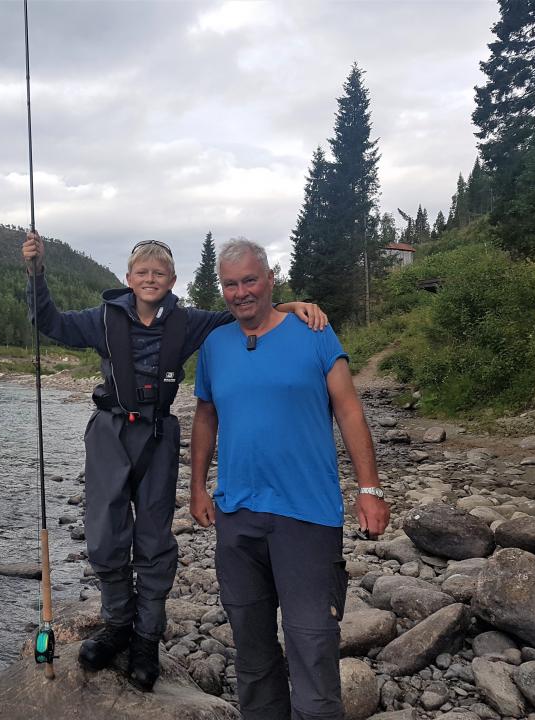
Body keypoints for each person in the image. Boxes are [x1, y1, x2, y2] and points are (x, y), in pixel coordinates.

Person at [22, 231, 328, 691]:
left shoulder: (187, 322)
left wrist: (289, 305)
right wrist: (35, 271)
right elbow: (49, 321)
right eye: (142, 272)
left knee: (154, 538)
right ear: (128, 278)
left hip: (159, 435)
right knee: (104, 536)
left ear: (172, 279)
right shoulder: (103, 318)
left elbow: (244, 307)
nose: (150, 279)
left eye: (159, 273)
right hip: (109, 433)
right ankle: (117, 624)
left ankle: (146, 637)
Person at [189, 238, 389, 719]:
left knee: (313, 647)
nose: (241, 293)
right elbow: (204, 418)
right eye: (230, 284)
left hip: (306, 517)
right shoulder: (215, 345)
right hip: (237, 519)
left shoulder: (314, 332)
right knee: (253, 656)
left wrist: (370, 489)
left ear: (270, 278)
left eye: (250, 280)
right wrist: (196, 486)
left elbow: (349, 410)